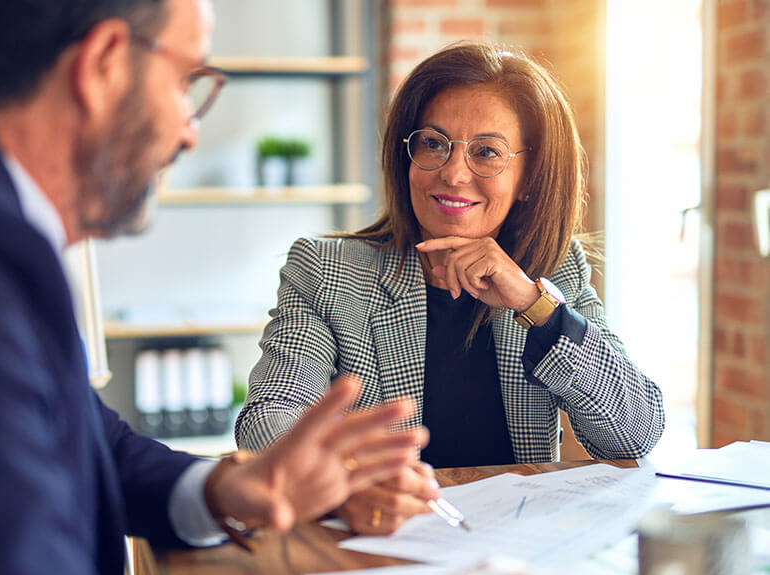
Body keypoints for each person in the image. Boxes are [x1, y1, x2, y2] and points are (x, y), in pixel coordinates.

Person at [0, 0, 438, 575]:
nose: (191, 131)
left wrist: (224, 489)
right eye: (185, 82)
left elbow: (86, 440)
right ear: (104, 64)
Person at [235, 42, 665, 535]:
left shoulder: (553, 269)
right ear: (407, 156)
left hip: (516, 549)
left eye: (486, 152)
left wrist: (534, 304)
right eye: (434, 143)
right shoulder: (327, 270)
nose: (454, 173)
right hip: (377, 544)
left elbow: (634, 434)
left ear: (528, 178)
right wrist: (349, 479)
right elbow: (268, 420)